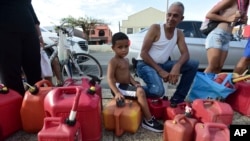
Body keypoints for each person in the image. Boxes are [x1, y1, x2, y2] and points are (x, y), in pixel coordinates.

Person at [135, 1, 199, 107]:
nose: (170, 18)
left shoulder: (179, 33)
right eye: (169, 14)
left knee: (193, 64)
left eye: (175, 16)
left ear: (181, 19)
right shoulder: (156, 28)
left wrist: (177, 66)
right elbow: (143, 53)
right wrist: (161, 71)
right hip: (145, 64)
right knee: (157, 91)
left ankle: (177, 99)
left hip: (162, 64)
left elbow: (185, 54)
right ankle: (130, 90)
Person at [107, 32, 163, 133]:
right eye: (120, 47)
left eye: (126, 46)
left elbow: (128, 75)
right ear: (113, 48)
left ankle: (146, 111)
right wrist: (116, 92)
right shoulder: (113, 61)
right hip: (118, 87)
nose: (124, 50)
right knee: (140, 92)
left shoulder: (126, 60)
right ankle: (148, 120)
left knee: (139, 87)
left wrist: (134, 83)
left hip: (125, 86)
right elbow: (110, 79)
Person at [0, 1, 42, 96]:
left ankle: (36, 106)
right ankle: (15, 107)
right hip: (4, 30)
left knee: (35, 73)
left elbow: (29, 7)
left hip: (29, 29)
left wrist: (39, 34)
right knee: (11, 77)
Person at [204, 0, 247, 73]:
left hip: (227, 36)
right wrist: (227, 19)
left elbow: (230, 22)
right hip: (218, 34)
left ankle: (211, 84)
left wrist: (240, 22)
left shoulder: (244, 5)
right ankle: (199, 84)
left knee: (218, 67)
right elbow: (209, 14)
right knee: (213, 66)